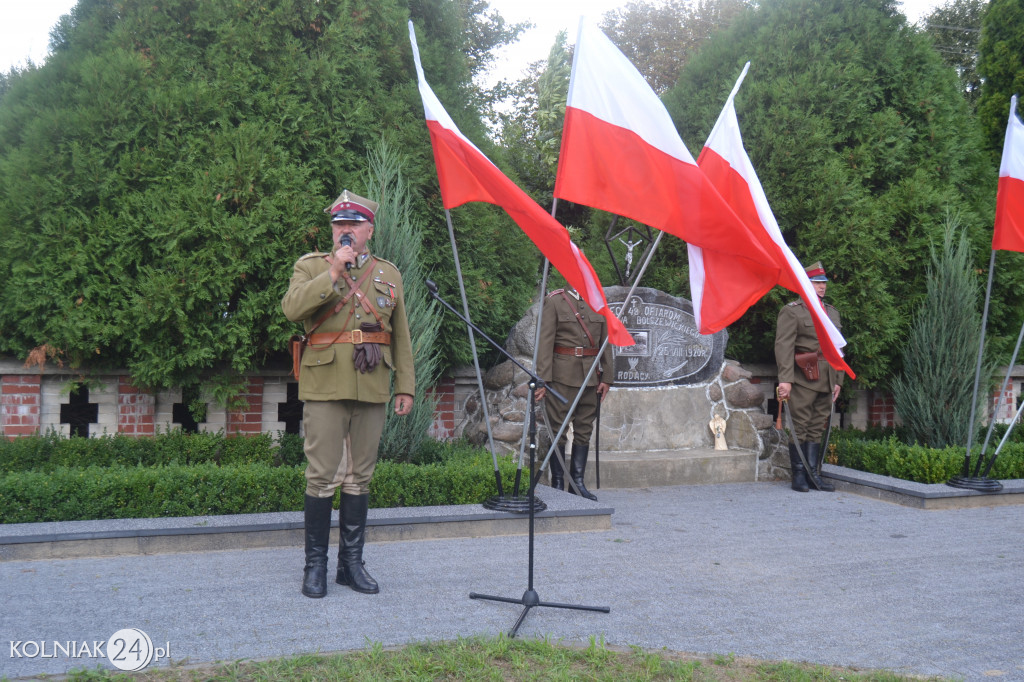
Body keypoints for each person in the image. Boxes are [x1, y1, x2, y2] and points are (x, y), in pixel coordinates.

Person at [281, 190, 415, 598]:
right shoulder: (311, 267)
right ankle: (315, 567)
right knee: (322, 477)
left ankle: (351, 565)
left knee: (360, 477)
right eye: (340, 225)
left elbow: (401, 335)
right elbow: (292, 309)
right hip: (324, 383)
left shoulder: (387, 273)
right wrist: (333, 273)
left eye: (354, 225)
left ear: (368, 230)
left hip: (371, 382)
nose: (346, 231)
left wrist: (405, 385)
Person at [533, 287, 613, 500]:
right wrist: (543, 379)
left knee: (585, 428)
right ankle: (558, 483)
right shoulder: (555, 301)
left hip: (591, 377)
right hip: (562, 376)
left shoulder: (598, 301)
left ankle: (577, 483)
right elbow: (545, 343)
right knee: (558, 427)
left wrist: (607, 377)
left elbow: (606, 341)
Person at [775, 261, 844, 493]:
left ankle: (814, 474)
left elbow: (838, 348)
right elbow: (784, 346)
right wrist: (785, 379)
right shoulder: (793, 311)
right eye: (816, 282)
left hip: (827, 377)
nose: (822, 287)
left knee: (817, 426)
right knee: (801, 425)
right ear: (806, 283)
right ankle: (799, 475)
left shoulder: (832, 312)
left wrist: (838, 380)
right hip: (804, 376)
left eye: (823, 283)